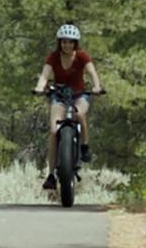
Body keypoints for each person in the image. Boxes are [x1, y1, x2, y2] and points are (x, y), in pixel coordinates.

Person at [31, 23, 104, 190]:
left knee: (79, 114)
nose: (67, 45)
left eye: (71, 42)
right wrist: (40, 88)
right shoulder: (53, 57)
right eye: (64, 42)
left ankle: (84, 146)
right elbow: (45, 75)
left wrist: (97, 87)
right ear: (59, 43)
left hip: (79, 94)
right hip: (59, 96)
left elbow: (92, 73)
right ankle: (51, 174)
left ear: (75, 43)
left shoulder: (82, 56)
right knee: (54, 130)